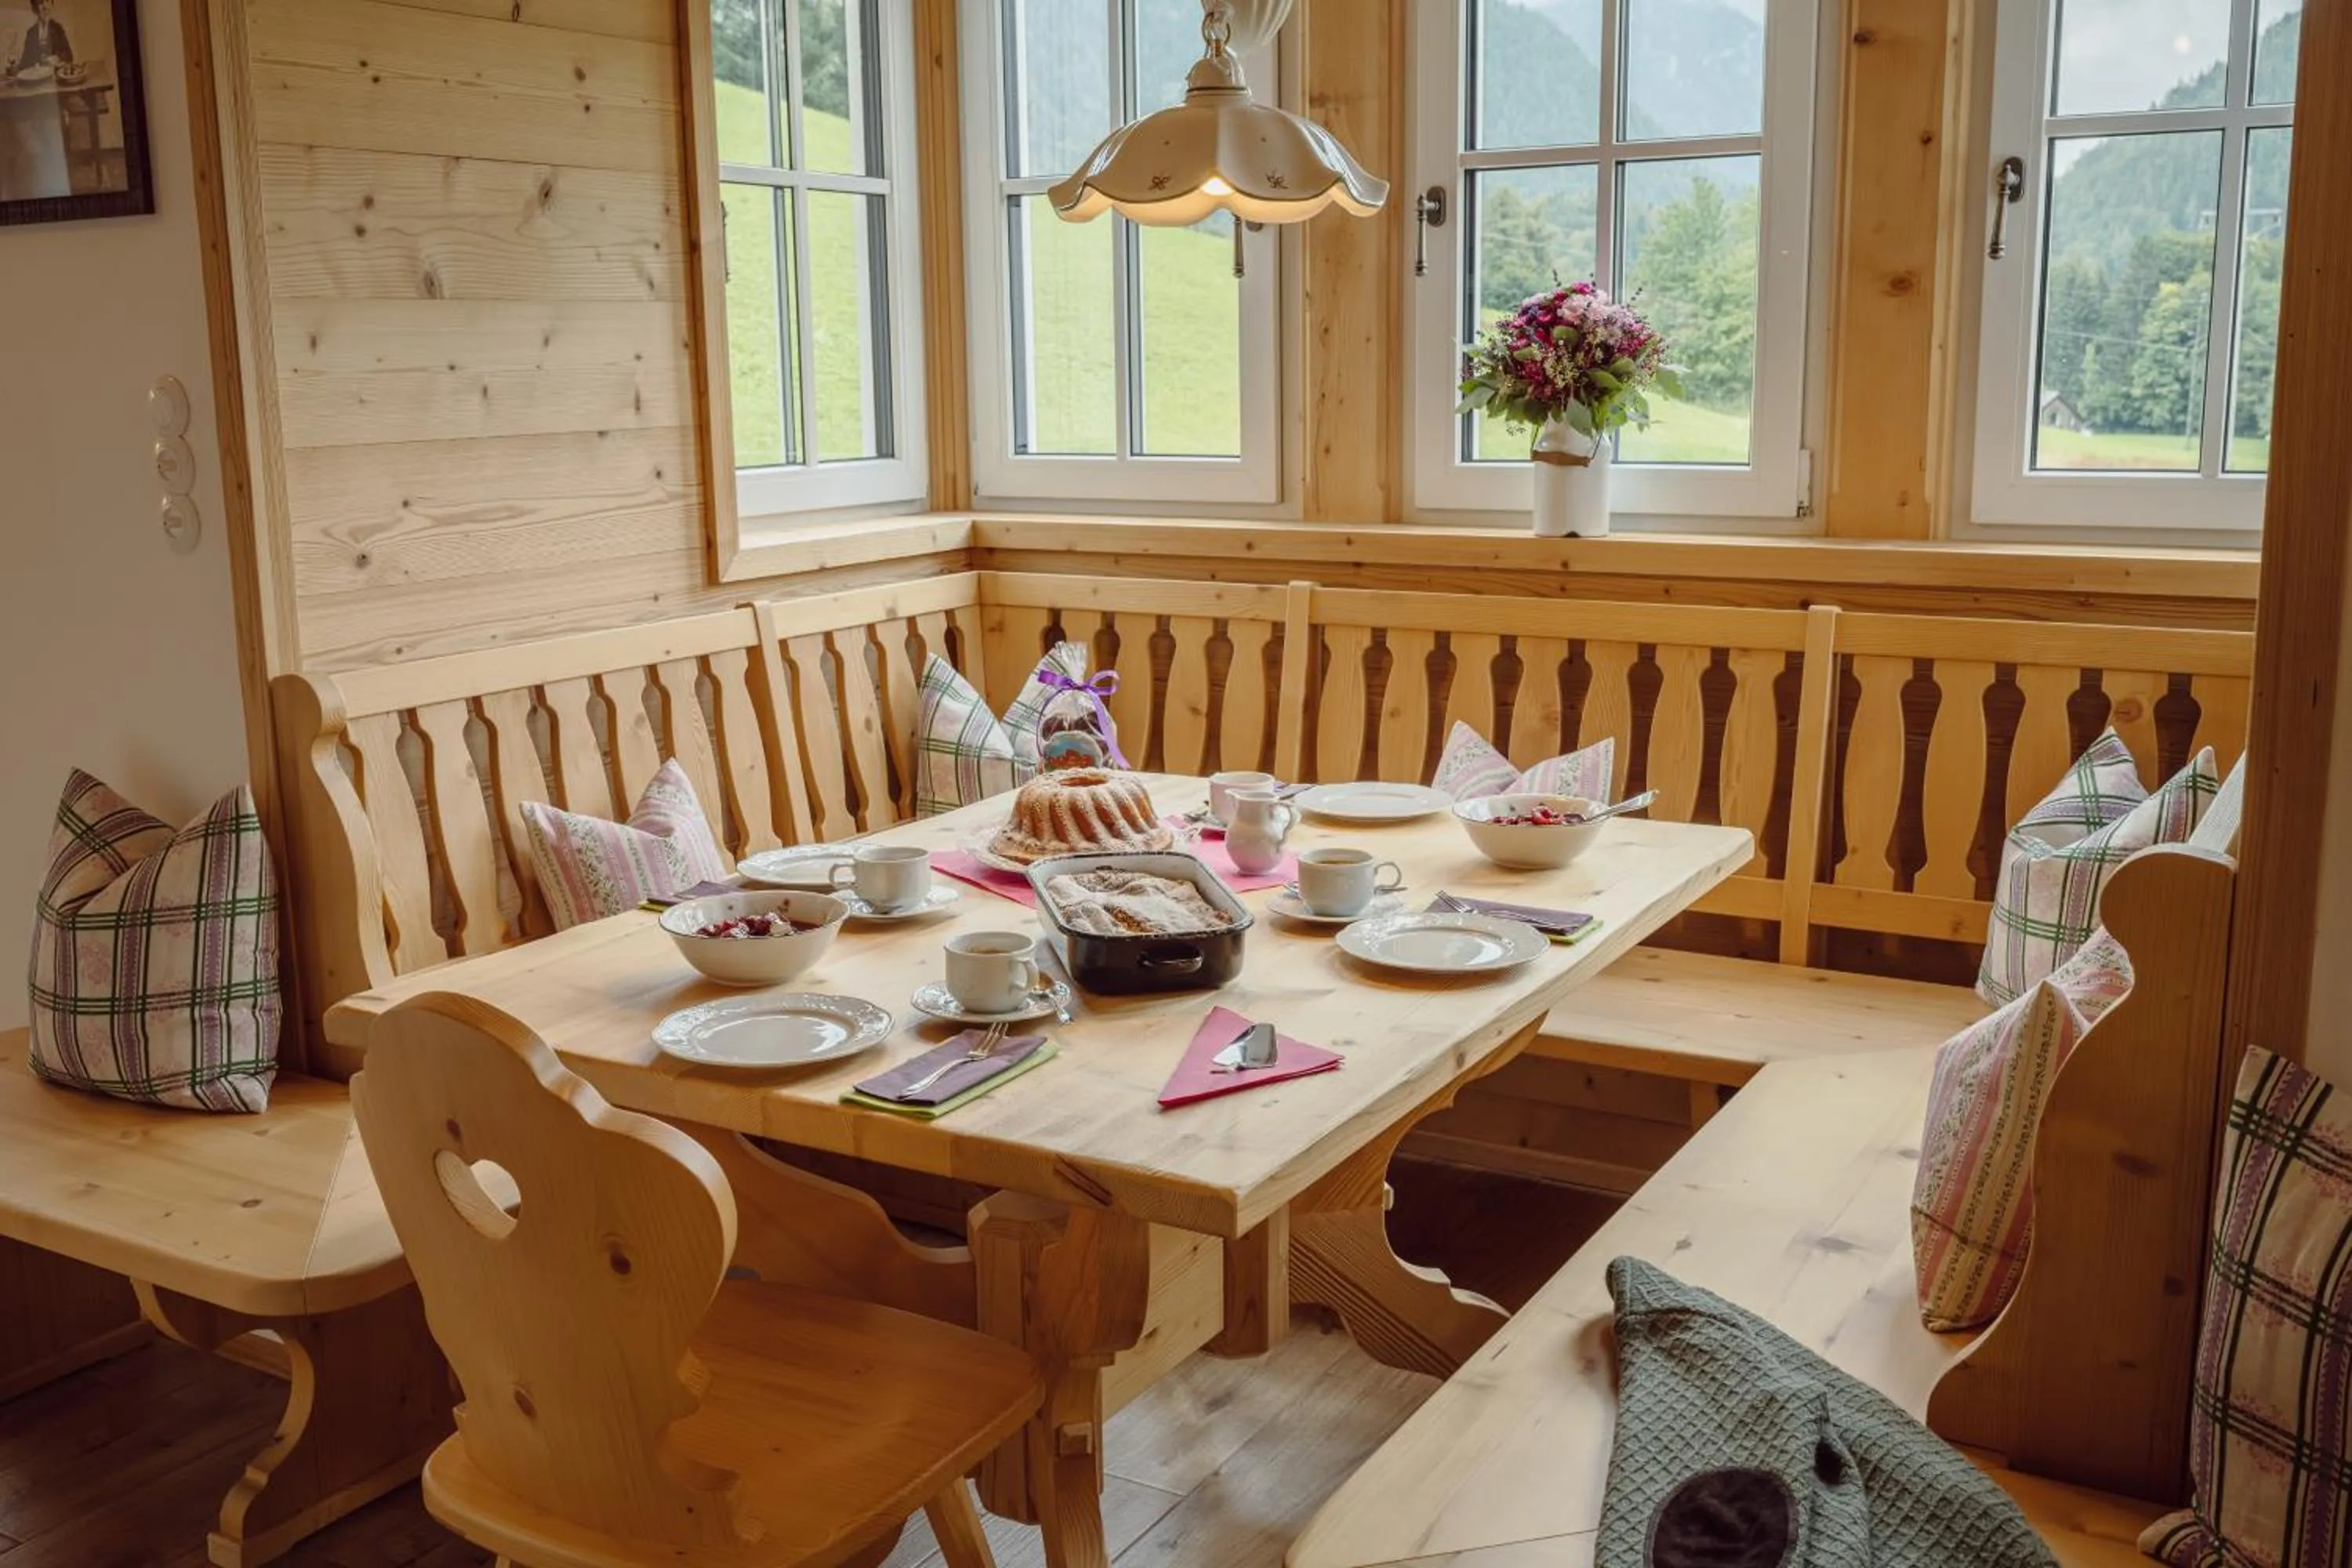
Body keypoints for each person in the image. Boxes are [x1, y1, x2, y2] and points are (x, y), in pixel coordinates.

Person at [8, 0, 72, 77]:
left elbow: (69, 56)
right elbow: (25, 62)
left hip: (55, 77)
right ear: (34, 9)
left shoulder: (57, 29)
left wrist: (57, 58)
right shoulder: (31, 32)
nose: (45, 6)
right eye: (40, 3)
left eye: (48, 1)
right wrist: (15, 65)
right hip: (36, 80)